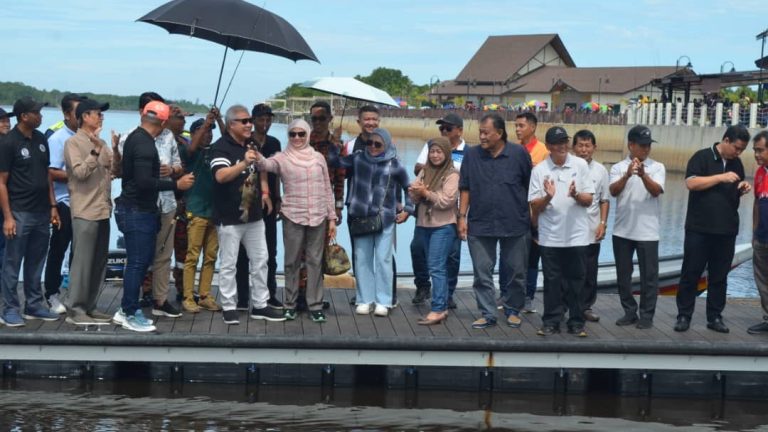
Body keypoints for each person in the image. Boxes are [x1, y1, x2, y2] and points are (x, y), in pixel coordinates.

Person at [113, 101, 195, 332]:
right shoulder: (143, 144)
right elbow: (143, 182)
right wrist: (176, 183)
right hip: (136, 210)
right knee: (138, 263)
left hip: (142, 209)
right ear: (162, 121)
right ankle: (128, 311)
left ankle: (127, 309)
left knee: (142, 261)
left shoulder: (139, 138)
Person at [255, 119, 337, 322]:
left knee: (315, 262)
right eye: (293, 134)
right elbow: (264, 164)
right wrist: (254, 153)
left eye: (301, 134)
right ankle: (289, 304)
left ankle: (315, 305)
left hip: (318, 216)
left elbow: (327, 188)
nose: (297, 138)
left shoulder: (318, 158)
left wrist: (332, 218)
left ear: (308, 134)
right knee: (291, 262)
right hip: (292, 215)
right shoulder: (282, 158)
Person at [210, 104, 286, 325]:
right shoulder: (221, 147)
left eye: (249, 121)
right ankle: (229, 305)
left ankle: (260, 304)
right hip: (229, 216)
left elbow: (261, 167)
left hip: (254, 215)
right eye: (244, 121)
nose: (249, 124)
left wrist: (265, 192)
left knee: (261, 259)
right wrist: (243, 162)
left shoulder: (251, 144)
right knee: (229, 263)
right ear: (231, 124)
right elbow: (221, 176)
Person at [674, 125, 751, 334]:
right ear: (725, 140)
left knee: (719, 276)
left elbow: (732, 189)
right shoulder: (702, 157)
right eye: (736, 148)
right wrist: (720, 177)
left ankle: (715, 316)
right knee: (691, 272)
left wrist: (741, 188)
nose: (738, 153)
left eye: (742, 150)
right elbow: (691, 183)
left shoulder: (737, 163)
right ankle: (684, 315)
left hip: (726, 230)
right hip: (699, 228)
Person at [458, 113, 532, 329]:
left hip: (515, 222)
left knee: (517, 271)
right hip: (480, 223)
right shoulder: (471, 155)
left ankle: (512, 309)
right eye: (480, 132)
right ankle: (488, 313)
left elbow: (529, 186)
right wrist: (461, 217)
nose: (481, 136)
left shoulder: (519, 154)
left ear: (499, 133)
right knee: (482, 272)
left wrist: (532, 221)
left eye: (485, 132)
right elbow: (465, 187)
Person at [330, 127, 412, 317]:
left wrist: (408, 210)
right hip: (360, 216)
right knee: (362, 259)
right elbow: (335, 162)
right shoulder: (358, 158)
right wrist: (335, 143)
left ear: (387, 144)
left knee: (383, 260)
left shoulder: (395, 164)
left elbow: (410, 188)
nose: (373, 147)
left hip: (385, 218)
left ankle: (384, 301)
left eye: (378, 144)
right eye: (370, 143)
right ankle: (364, 299)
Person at [0, 97, 61, 327]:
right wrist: (7, 217)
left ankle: (34, 305)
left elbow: (47, 175)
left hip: (41, 211)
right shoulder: (8, 142)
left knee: (36, 262)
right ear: (24, 116)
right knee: (12, 263)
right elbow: (1, 182)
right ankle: (10, 309)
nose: (41, 116)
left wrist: (53, 205)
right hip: (19, 212)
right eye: (37, 112)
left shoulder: (41, 138)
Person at [529, 126, 594, 337]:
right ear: (548, 146)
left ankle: (576, 322)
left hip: (577, 235)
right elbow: (534, 206)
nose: (562, 147)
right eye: (557, 143)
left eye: (564, 142)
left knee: (576, 281)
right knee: (552, 281)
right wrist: (548, 197)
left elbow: (589, 200)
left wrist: (575, 194)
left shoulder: (580, 164)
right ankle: (551, 321)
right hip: (550, 236)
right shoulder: (539, 170)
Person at [62, 99, 113, 324]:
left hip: (103, 209)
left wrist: (115, 148)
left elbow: (113, 170)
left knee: (99, 262)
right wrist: (95, 150)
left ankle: (90, 306)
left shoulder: (101, 142)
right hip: (85, 210)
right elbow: (80, 172)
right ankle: (75, 309)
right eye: (97, 113)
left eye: (102, 114)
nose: (101, 116)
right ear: (84, 117)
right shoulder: (73, 142)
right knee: (82, 262)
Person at [609, 125, 665, 329]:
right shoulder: (616, 167)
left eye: (648, 145)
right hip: (621, 231)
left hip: (648, 232)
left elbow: (656, 191)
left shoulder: (657, 167)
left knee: (649, 277)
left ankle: (647, 315)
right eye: (642, 145)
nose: (646, 149)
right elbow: (613, 192)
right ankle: (629, 311)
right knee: (623, 275)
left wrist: (643, 175)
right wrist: (627, 175)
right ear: (630, 145)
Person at [411, 113, 465, 309]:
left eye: (448, 128)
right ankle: (423, 287)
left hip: (452, 214)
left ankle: (445, 296)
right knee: (417, 249)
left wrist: (463, 217)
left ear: (459, 130)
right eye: (441, 128)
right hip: (425, 215)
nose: (443, 131)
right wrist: (416, 192)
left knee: (450, 257)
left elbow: (452, 195)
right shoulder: (431, 146)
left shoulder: (467, 152)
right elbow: (418, 169)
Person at [409, 137, 459, 325]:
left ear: (446, 153)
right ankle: (441, 305)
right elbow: (414, 198)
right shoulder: (424, 171)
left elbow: (447, 201)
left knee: (437, 266)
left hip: (442, 226)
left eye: (439, 152)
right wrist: (414, 191)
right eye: (432, 151)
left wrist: (425, 193)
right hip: (423, 224)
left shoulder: (452, 174)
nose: (435, 155)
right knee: (430, 264)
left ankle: (439, 308)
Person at [45, 93, 86, 315]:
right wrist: (79, 175)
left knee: (79, 253)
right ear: (67, 114)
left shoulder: (86, 137)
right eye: (77, 112)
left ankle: (74, 293)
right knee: (58, 249)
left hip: (85, 204)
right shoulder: (58, 138)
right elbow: (51, 172)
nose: (81, 116)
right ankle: (51, 293)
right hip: (63, 202)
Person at [304, 100, 345, 311]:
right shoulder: (302, 140)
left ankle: (315, 297)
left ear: (330, 119)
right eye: (314, 119)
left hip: (324, 205)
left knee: (318, 254)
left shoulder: (337, 145)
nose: (317, 122)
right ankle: (300, 295)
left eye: (321, 118)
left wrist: (337, 209)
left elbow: (340, 179)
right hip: (301, 203)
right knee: (299, 254)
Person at [179, 114, 222, 313]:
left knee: (211, 256)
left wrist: (218, 120)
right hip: (196, 210)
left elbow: (228, 139)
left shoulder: (216, 151)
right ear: (195, 133)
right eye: (204, 131)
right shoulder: (190, 152)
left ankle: (205, 294)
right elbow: (191, 148)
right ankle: (188, 296)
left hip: (215, 211)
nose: (208, 134)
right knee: (192, 256)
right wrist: (204, 124)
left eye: (210, 131)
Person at [247, 103, 283, 310]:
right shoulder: (246, 140)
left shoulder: (274, 142)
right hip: (248, 200)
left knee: (270, 249)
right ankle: (242, 295)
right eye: (261, 119)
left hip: (269, 202)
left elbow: (276, 172)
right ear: (253, 121)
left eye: (268, 120)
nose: (265, 123)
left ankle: (270, 293)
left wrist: (278, 198)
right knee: (244, 252)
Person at [571, 129, 609, 323]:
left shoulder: (601, 170)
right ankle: (565, 306)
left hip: (591, 230)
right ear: (573, 147)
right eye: (580, 145)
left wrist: (602, 223)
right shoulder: (567, 167)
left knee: (589, 272)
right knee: (567, 271)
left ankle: (585, 307)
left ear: (594, 148)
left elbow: (604, 200)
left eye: (588, 145)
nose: (584, 149)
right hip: (568, 231)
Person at [513, 112, 549, 314]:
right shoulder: (514, 149)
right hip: (515, 211)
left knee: (532, 257)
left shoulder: (542, 151)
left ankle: (528, 296)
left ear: (533, 127)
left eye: (521, 126)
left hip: (535, 211)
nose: (518, 129)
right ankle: (511, 293)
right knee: (512, 256)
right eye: (516, 126)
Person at [748, 131, 768, 334]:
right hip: (762, 237)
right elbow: (757, 203)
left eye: (760, 150)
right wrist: (754, 232)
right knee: (762, 280)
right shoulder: (760, 173)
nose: (756, 154)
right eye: (755, 150)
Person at [0, 107, 12, 275]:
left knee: (5, 247)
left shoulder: (9, 143)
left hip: (8, 202)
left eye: (8, 120)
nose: (6, 123)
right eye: (2, 120)